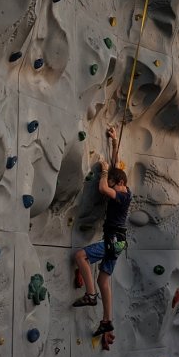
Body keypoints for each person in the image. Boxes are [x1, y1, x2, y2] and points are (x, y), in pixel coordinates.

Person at [72, 125, 132, 338]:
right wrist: (114, 142)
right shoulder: (126, 190)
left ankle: (90, 295)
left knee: (81, 256)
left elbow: (103, 188)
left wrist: (104, 171)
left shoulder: (122, 195)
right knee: (103, 279)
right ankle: (107, 320)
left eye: (114, 183)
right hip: (118, 241)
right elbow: (118, 165)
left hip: (114, 240)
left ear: (120, 183)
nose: (111, 187)